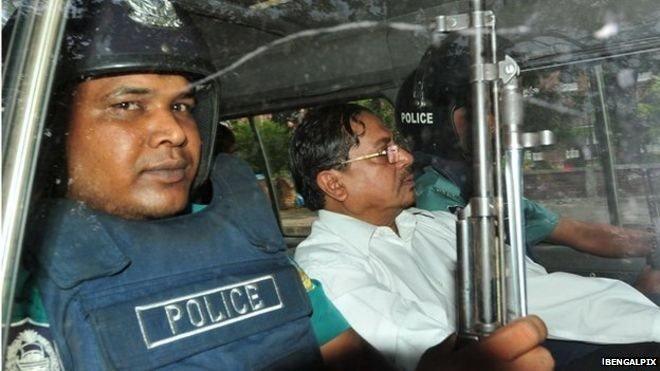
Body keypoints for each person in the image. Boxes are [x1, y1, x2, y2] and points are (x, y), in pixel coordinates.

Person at [4, 2, 552, 370]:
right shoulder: (15, 280)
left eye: (182, 106)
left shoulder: (246, 244)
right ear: (47, 131)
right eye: (128, 105)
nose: (174, 130)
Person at [290, 103, 660, 371]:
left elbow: (537, 293)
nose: (404, 157)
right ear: (334, 183)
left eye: (398, 145)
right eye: (383, 152)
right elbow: (421, 347)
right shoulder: (326, 266)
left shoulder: (439, 226)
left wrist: (649, 321)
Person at [394, 34, 660, 296]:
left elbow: (581, 233)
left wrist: (655, 243)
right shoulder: (430, 200)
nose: (494, 122)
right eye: (481, 110)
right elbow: (496, 297)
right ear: (440, 124)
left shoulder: (485, 187)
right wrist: (640, 294)